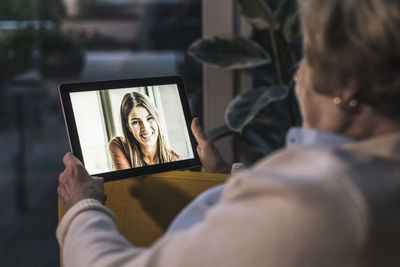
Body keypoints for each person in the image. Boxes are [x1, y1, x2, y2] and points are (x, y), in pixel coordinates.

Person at [57, 0, 400, 266]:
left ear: (347, 87)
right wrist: (224, 175)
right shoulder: (376, 170)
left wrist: (82, 206)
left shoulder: (319, 201)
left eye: (310, 56)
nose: (297, 72)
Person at [108, 91, 180, 170]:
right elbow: (127, 182)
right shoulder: (119, 146)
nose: (145, 129)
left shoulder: (175, 160)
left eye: (149, 118)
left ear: (157, 119)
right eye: (135, 122)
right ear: (128, 127)